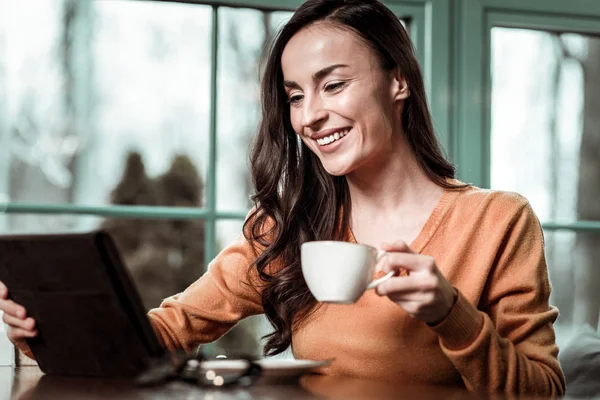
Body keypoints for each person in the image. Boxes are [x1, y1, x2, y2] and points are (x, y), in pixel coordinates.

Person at [0, 0, 565, 395]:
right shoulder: (285, 226)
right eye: (295, 96)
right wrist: (51, 328)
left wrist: (451, 315)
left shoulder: (496, 220)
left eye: (334, 84)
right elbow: (169, 332)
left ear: (400, 82)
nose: (310, 115)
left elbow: (542, 390)